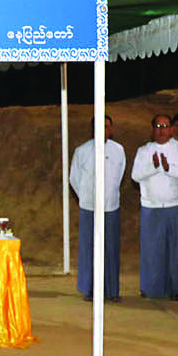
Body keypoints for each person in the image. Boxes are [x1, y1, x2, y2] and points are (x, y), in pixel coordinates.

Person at [131, 115, 178, 299]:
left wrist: (168, 168)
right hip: (151, 207)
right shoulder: (144, 151)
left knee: (175, 251)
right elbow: (135, 175)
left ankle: (174, 289)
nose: (161, 130)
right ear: (152, 130)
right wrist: (154, 166)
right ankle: (150, 288)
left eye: (165, 126)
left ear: (171, 129)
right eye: (158, 126)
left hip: (174, 207)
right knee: (151, 250)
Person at [70, 115, 124, 302]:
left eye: (106, 126)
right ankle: (89, 289)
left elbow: (119, 175)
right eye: (99, 126)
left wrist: (108, 194)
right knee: (89, 248)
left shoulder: (118, 150)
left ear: (111, 129)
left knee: (111, 249)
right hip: (89, 208)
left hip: (110, 207)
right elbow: (74, 178)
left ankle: (111, 290)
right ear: (92, 129)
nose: (103, 129)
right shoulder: (82, 151)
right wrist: (87, 196)